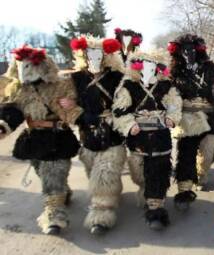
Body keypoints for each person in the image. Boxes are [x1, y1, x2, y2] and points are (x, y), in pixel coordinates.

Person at [0, 45, 81, 235]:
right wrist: (3, 125)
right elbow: (13, 111)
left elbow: (74, 102)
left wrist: (72, 104)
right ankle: (63, 192)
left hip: (58, 137)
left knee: (53, 175)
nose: (23, 70)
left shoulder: (60, 85)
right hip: (34, 139)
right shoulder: (19, 90)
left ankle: (54, 215)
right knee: (43, 172)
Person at [63, 35, 126, 235]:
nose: (94, 58)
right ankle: (109, 194)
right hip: (88, 134)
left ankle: (101, 214)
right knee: (93, 170)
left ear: (106, 56)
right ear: (83, 55)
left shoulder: (118, 77)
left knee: (105, 173)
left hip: (112, 132)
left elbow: (128, 102)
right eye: (90, 54)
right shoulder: (75, 78)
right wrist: (74, 111)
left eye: (99, 54)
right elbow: (66, 104)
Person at [112, 50, 182, 230]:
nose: (149, 72)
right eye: (146, 68)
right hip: (139, 138)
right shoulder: (128, 85)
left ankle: (155, 208)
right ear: (138, 67)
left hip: (160, 136)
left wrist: (172, 118)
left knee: (159, 169)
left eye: (153, 68)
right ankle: (146, 191)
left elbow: (174, 104)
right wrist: (128, 125)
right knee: (139, 172)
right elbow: (120, 110)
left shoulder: (166, 85)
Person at [168, 33, 214, 203]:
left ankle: (201, 174)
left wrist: (210, 92)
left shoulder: (212, 69)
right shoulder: (175, 71)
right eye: (184, 51)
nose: (188, 54)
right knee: (186, 153)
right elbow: (169, 93)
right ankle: (184, 190)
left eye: (191, 50)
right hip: (186, 118)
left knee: (208, 154)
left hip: (209, 117)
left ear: (198, 50)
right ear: (179, 52)